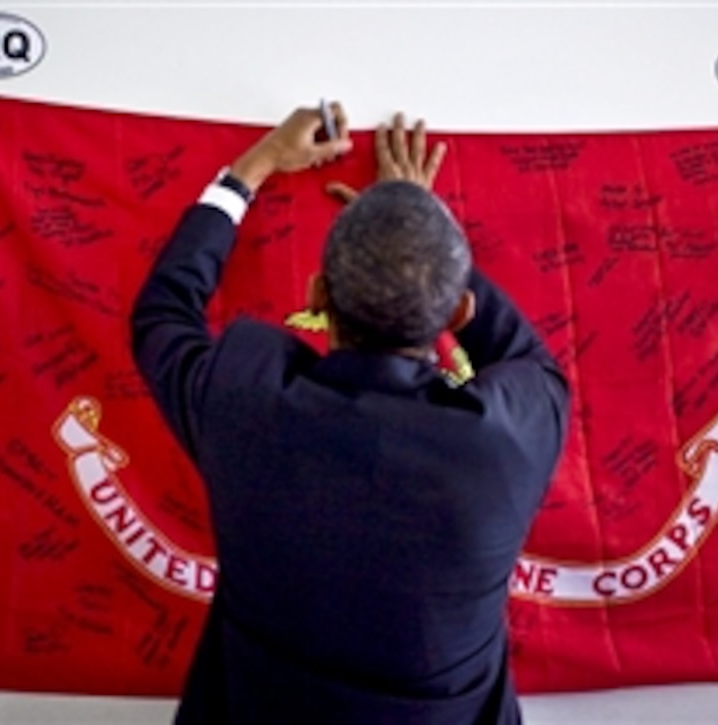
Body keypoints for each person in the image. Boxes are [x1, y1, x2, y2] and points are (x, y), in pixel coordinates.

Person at [131, 104, 569, 724]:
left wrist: (252, 168)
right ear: (458, 312)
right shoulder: (511, 439)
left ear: (315, 298)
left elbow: (163, 314)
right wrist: (416, 234)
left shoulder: (242, 404)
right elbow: (526, 354)